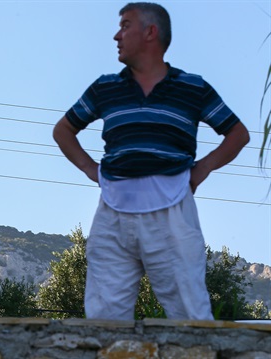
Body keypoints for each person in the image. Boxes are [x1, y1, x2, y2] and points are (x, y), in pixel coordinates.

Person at [53, 2, 250, 320]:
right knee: (104, 317)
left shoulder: (192, 88)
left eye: (125, 25)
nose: (117, 35)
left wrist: (202, 169)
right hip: (112, 212)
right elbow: (63, 130)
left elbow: (238, 134)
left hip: (172, 210)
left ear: (150, 32)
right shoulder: (105, 88)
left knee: (190, 314)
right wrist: (92, 170)